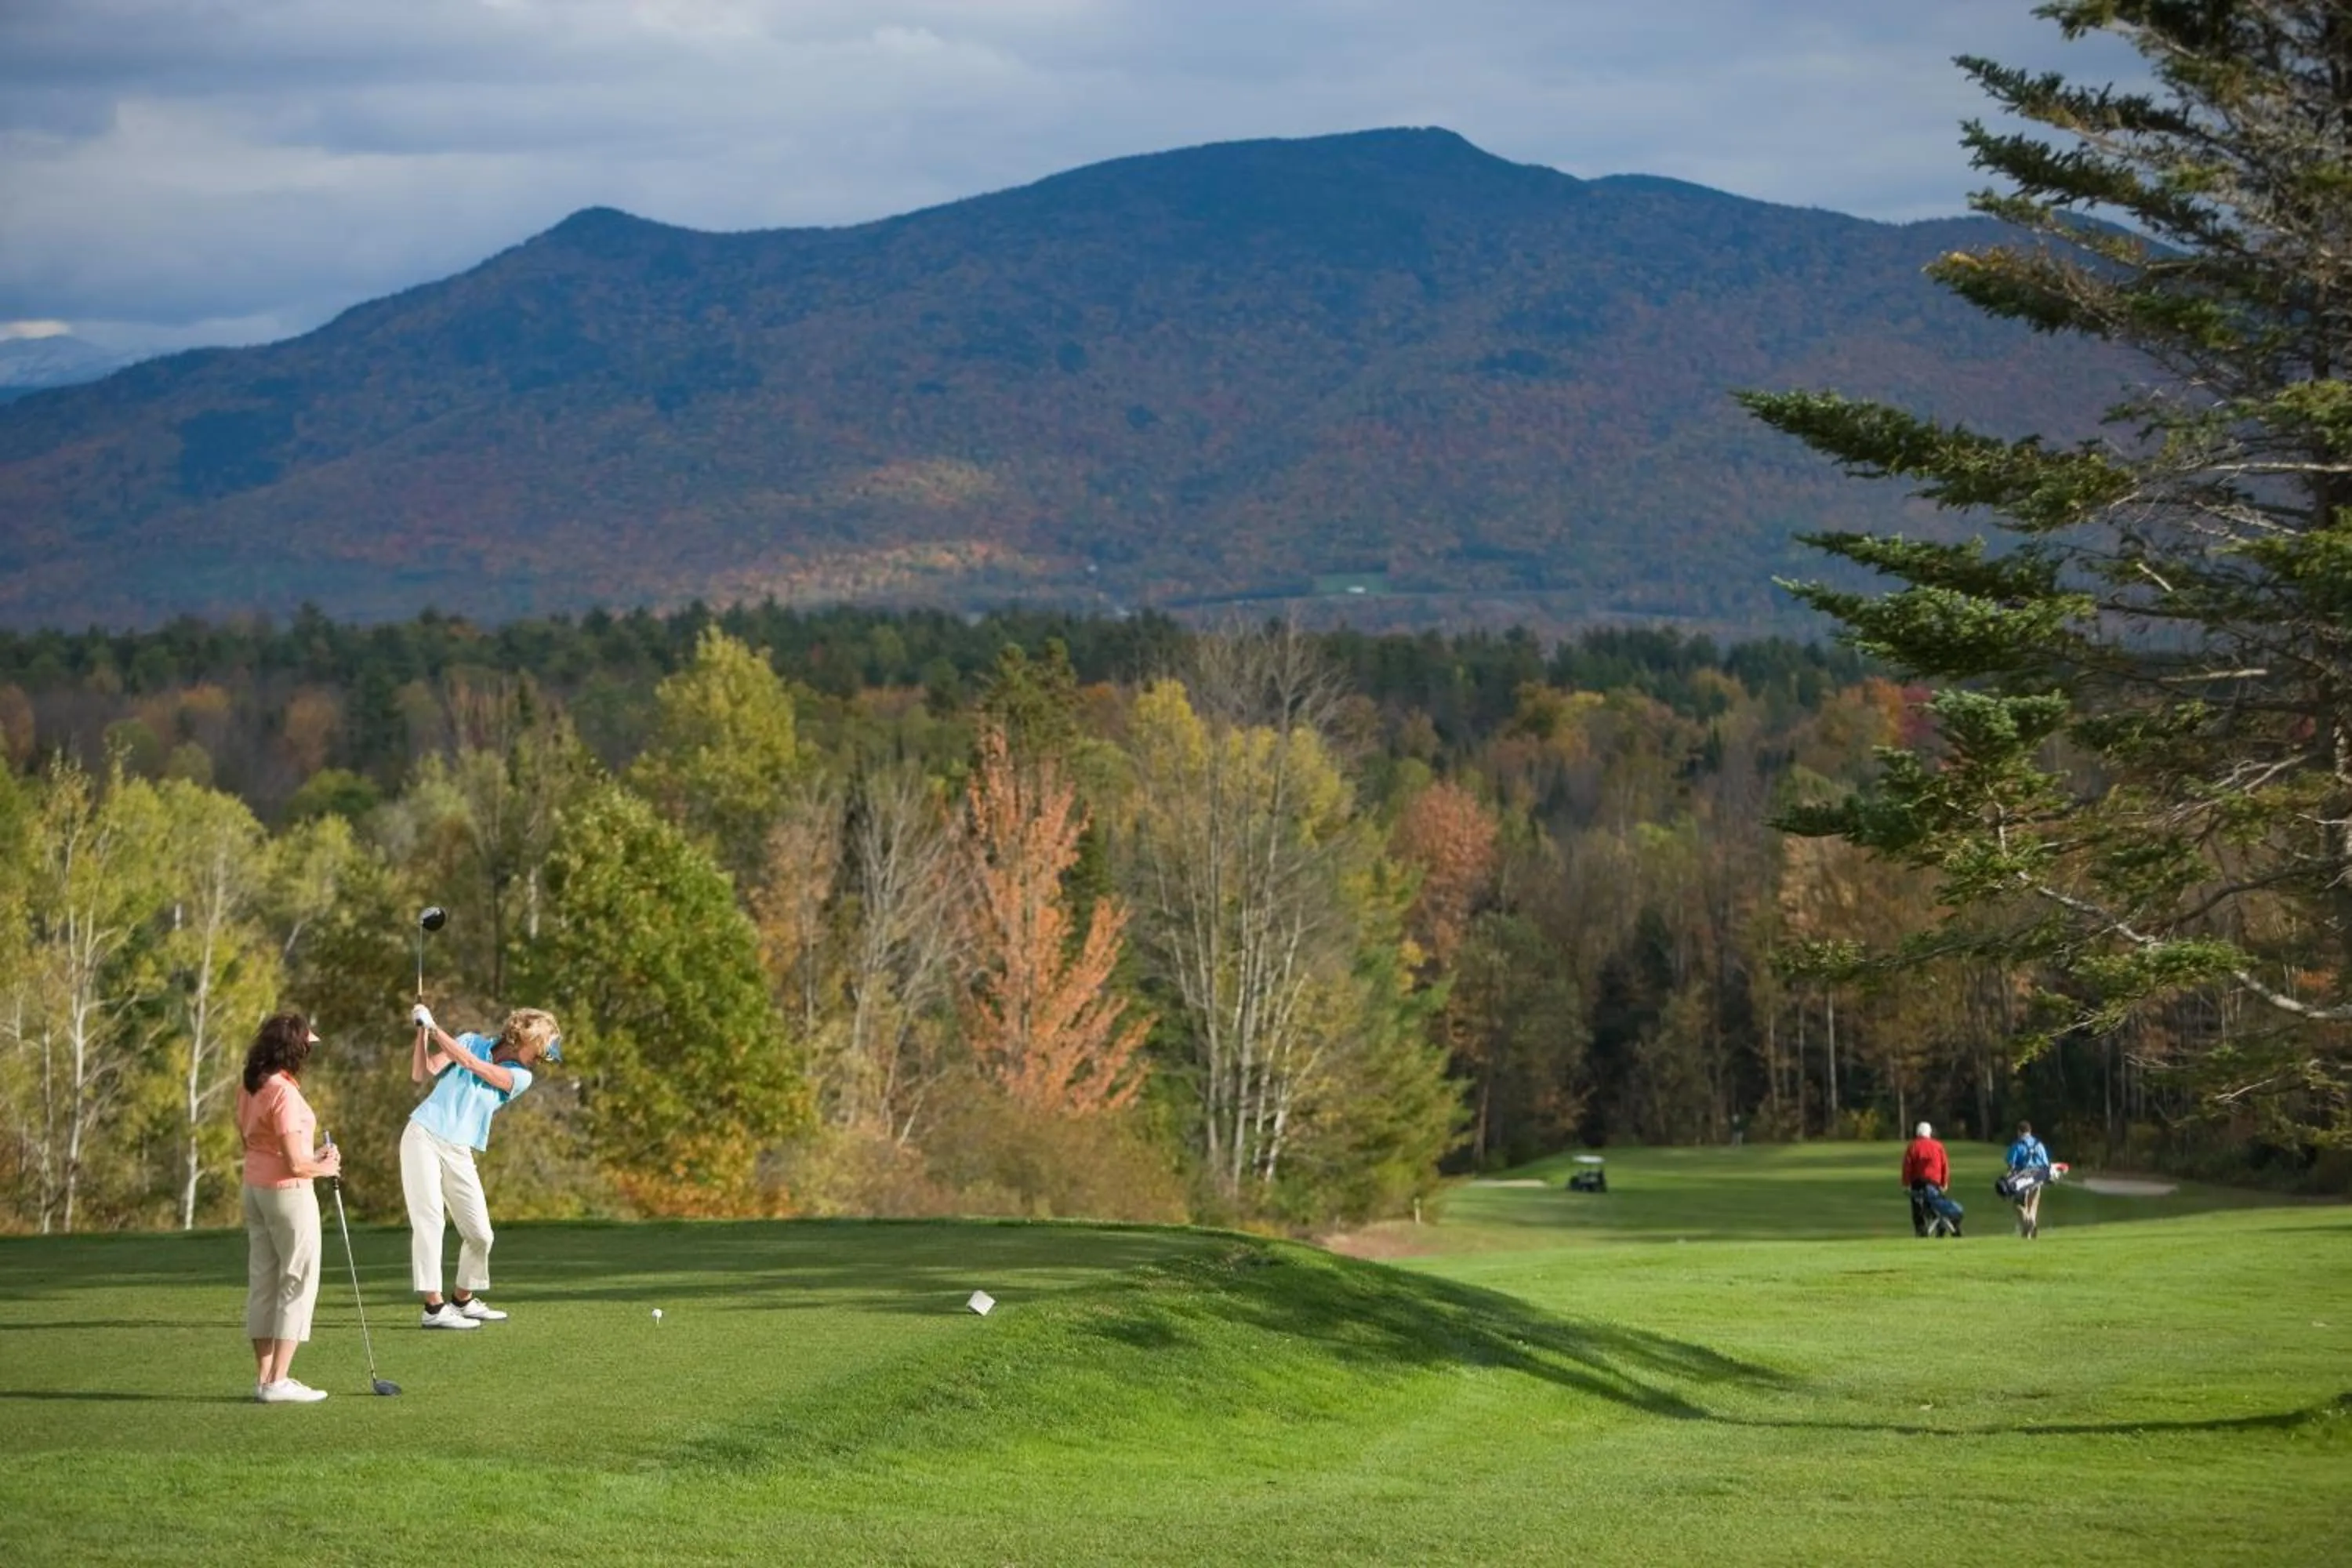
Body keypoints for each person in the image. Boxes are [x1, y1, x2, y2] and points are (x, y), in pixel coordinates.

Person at [401, 1004, 562, 1329]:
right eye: (542, 1047)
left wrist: (434, 1028)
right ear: (525, 1036)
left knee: (481, 1234)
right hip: (423, 1135)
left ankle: (462, 1300)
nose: (542, 1057)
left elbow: (472, 1065)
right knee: (430, 1221)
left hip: (459, 1149)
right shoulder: (471, 1040)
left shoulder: (521, 1077)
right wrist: (422, 1033)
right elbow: (424, 1072)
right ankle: (433, 1309)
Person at [237, 1011, 342, 1403]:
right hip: (288, 1194)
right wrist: (325, 1165)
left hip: (256, 1189)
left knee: (264, 1280)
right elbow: (296, 1165)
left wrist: (311, 1157)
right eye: (306, 1047)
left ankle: (265, 1379)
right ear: (293, 1050)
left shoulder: (251, 1084)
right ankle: (279, 1380)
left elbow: (256, 1143)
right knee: (297, 1280)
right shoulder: (284, 1092)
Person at [1900, 1120, 1959, 1238]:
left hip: (1918, 1182)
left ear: (1918, 1133)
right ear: (1930, 1133)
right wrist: (1944, 1183)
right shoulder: (1938, 1146)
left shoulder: (1913, 1146)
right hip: (1935, 1183)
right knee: (1937, 1205)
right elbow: (1945, 1166)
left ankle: (1921, 1230)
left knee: (1918, 1207)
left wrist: (1906, 1184)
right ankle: (1941, 1228)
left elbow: (1907, 1166)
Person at [2005, 1120, 2054, 1238]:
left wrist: (2009, 1178)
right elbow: (2046, 1164)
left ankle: (2029, 1223)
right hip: (2037, 1177)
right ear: (2030, 1131)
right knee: (2033, 1205)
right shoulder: (2039, 1145)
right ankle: (2028, 1230)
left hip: (2023, 1177)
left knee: (2019, 1205)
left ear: (2019, 1132)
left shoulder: (2017, 1145)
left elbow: (2011, 1164)